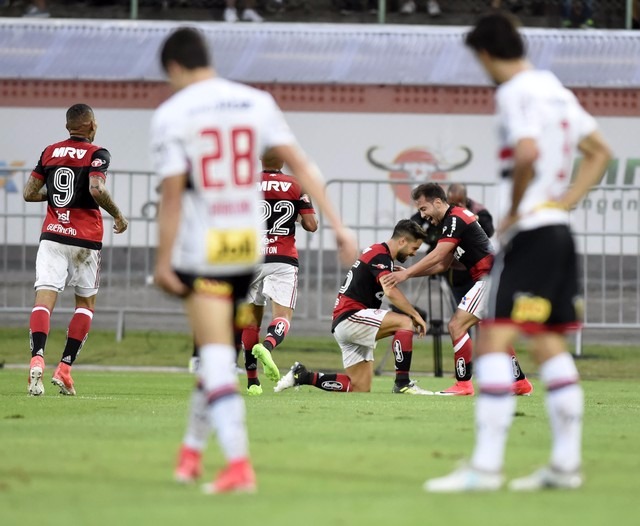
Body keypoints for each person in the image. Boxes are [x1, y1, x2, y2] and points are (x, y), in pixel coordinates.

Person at [150, 27, 356, 495]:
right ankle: (190, 453)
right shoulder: (255, 102)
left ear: (175, 68)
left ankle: (238, 464)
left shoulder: (172, 114)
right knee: (217, 356)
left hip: (206, 250)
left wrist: (163, 259)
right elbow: (304, 166)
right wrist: (340, 225)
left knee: (217, 355)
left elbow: (172, 194)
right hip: (245, 249)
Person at [424, 12, 611, 492]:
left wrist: (513, 211)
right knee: (546, 342)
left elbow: (526, 153)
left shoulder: (513, 92)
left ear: (485, 54)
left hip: (528, 234)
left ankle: (485, 469)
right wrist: (566, 201)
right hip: (557, 232)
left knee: (492, 341)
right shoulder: (554, 88)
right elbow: (599, 152)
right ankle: (565, 466)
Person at [382, 183, 532, 396]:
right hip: (496, 277)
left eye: (424, 209)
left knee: (456, 325)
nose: (423, 216)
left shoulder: (455, 218)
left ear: (437, 202)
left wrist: (405, 273)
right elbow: (443, 264)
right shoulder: (452, 222)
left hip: (490, 278)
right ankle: (519, 382)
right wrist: (409, 273)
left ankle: (463, 383)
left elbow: (438, 253)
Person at [24, 104, 129, 397]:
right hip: (86, 239)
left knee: (44, 298)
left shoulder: (49, 152)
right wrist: (118, 215)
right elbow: (96, 189)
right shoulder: (98, 153)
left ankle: (37, 358)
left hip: (53, 235)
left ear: (68, 126)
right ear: (92, 124)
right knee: (85, 304)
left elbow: (29, 192)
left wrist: (56, 196)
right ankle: (65, 368)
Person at [275, 219, 432, 395]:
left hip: (346, 322)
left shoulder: (380, 255)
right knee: (405, 322)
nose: (413, 254)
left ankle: (303, 376)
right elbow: (390, 291)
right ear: (402, 241)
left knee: (360, 387)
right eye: (414, 248)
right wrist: (414, 314)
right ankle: (402, 384)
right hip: (351, 317)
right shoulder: (380, 255)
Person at [242, 151, 318, 395]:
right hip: (282, 258)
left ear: (260, 158)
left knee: (250, 319)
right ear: (283, 161)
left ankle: (252, 382)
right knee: (282, 316)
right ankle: (268, 345)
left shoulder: (245, 181)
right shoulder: (296, 184)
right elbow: (311, 225)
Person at [445, 183, 494, 304]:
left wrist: (471, 218)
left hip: (477, 273)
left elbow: (489, 230)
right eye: (452, 204)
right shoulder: (445, 213)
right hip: (456, 270)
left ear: (465, 199)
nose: (455, 207)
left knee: (471, 316)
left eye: (458, 203)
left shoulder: (479, 211)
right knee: (458, 312)